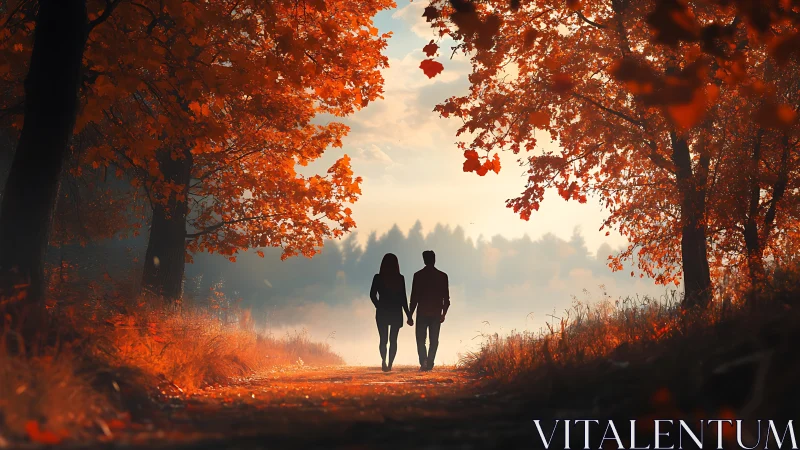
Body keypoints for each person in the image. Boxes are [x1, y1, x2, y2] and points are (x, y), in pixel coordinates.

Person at [370, 253, 412, 372]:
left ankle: (383, 360)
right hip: (396, 311)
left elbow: (372, 295)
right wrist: (408, 315)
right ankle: (390, 364)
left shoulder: (378, 277)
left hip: (382, 312)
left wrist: (378, 306)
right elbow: (403, 298)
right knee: (393, 340)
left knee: (383, 339)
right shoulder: (400, 278)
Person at [409, 250, 450, 371]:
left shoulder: (418, 276)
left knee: (421, 339)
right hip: (436, 313)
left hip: (422, 312)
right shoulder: (442, 276)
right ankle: (430, 362)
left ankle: (424, 361)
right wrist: (443, 313)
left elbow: (414, 297)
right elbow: (446, 298)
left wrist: (410, 315)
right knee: (434, 340)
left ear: (424, 260)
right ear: (434, 259)